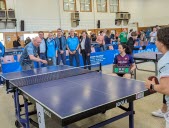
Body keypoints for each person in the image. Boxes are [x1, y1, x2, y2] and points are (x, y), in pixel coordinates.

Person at [145, 27, 169, 126]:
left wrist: (151, 85)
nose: (155, 42)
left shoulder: (164, 60)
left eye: (156, 39)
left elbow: (166, 89)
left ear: (161, 42)